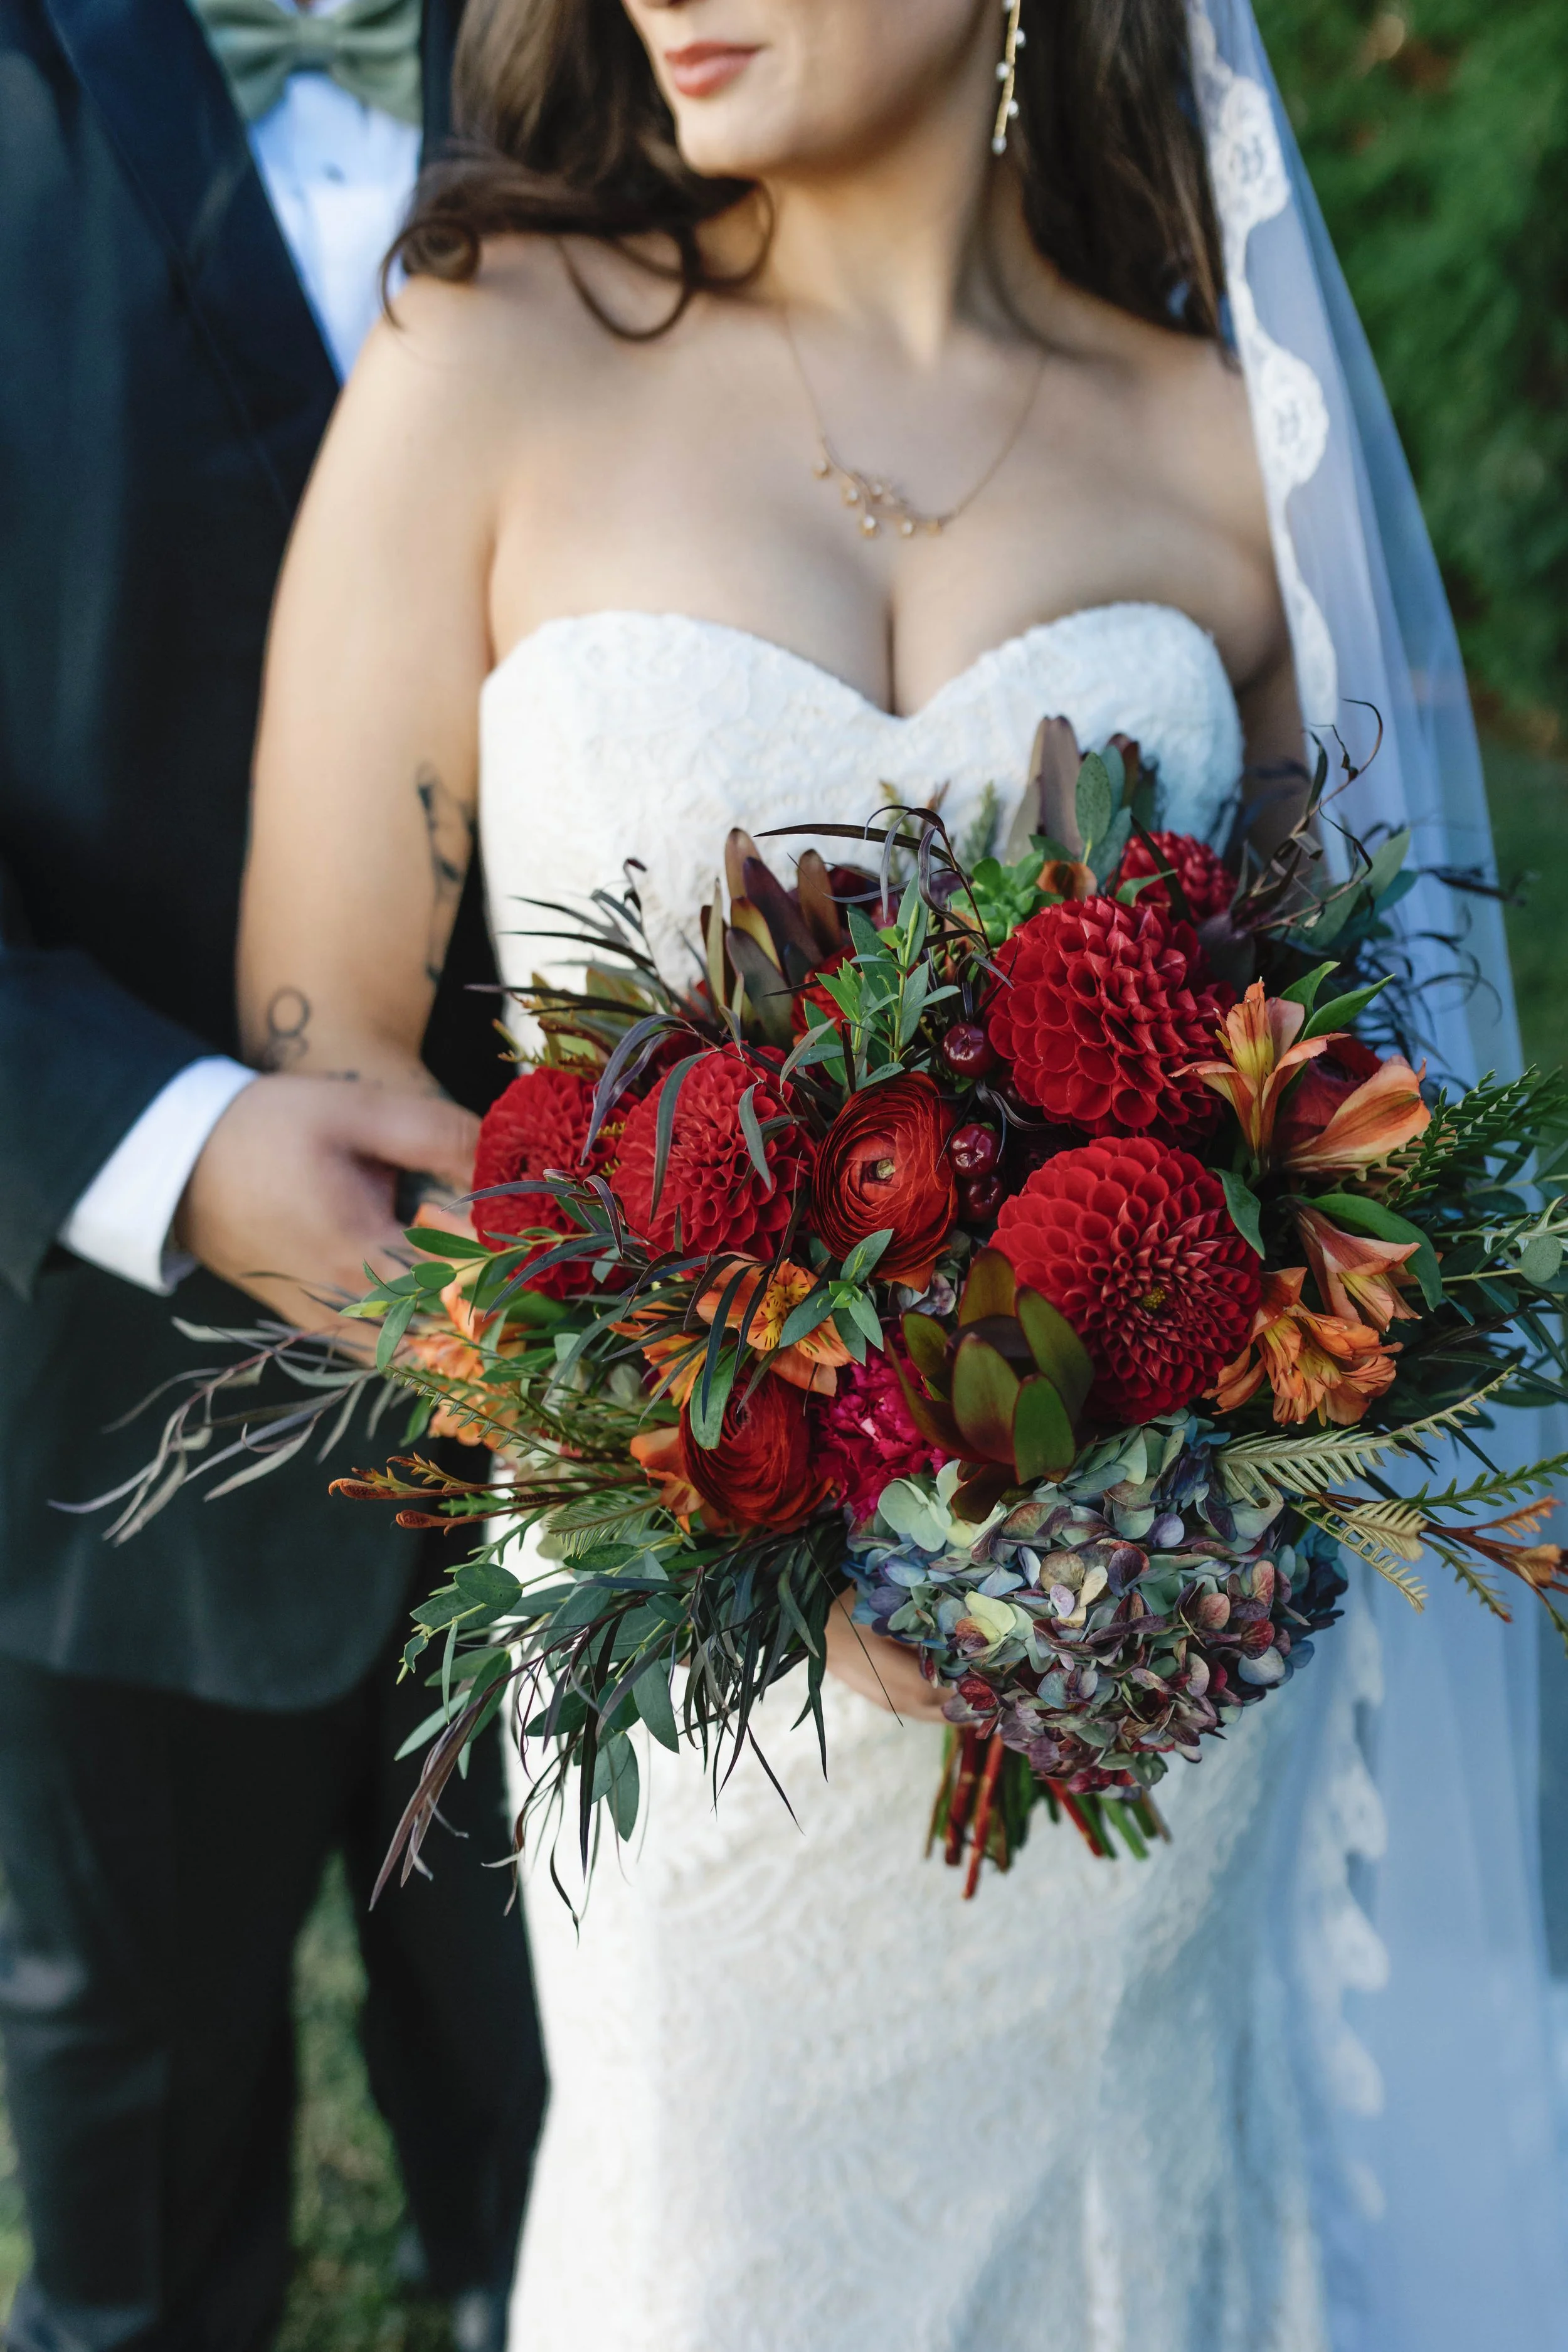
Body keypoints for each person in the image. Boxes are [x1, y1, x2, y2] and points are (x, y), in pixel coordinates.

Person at [235, 0, 1567, 2344]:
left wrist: (1119, 1525)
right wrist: (716, 1484)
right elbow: (323, 1066)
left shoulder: (1211, 443)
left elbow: (1315, 1132)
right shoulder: (485, 360)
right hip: (707, 1725)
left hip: (1118, 1697)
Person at [0, 4, 544, 2347]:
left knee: (611, 2207)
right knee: (146, 2233)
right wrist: (170, 1141)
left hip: (659, 1433)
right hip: (103, 1428)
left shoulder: (672, 54)